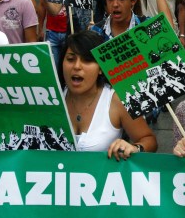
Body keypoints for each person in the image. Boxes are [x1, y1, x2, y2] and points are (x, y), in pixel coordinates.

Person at [58, 30, 157, 158]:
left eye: (87, 60)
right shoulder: (50, 97)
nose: (77, 66)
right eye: (71, 59)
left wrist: (134, 148)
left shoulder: (117, 100)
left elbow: (149, 140)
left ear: (100, 68)